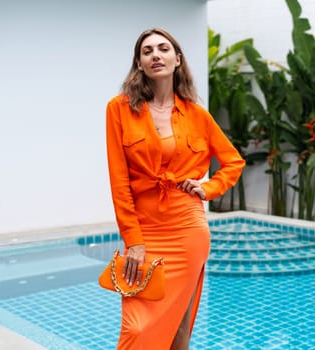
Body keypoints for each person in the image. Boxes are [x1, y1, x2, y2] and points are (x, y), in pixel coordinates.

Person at [105, 28, 245, 349]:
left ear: (177, 59)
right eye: (147, 51)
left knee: (180, 329)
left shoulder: (197, 115)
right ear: (139, 63)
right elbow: (119, 181)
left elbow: (233, 162)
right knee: (137, 329)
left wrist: (207, 188)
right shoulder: (119, 109)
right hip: (145, 231)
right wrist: (134, 241)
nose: (156, 54)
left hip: (188, 230)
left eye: (163, 49)